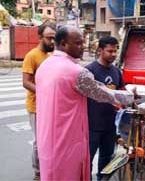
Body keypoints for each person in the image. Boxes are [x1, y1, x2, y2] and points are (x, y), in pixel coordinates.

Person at [35, 26, 133, 181]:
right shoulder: (77, 72)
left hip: (47, 138)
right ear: (63, 44)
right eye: (78, 43)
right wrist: (131, 97)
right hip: (68, 139)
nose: (83, 47)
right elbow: (104, 94)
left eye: (83, 42)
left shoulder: (45, 66)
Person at [85, 37, 124, 181]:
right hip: (91, 125)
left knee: (106, 159)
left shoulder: (116, 72)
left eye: (115, 51)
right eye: (110, 51)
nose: (113, 54)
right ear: (100, 50)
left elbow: (121, 92)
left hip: (110, 125)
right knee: (87, 160)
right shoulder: (89, 70)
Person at [21, 23, 56, 180]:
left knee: (50, 140)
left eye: (54, 38)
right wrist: (45, 93)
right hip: (36, 106)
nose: (52, 42)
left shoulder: (52, 56)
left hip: (50, 106)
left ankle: (48, 169)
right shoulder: (32, 56)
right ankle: (38, 174)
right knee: (39, 142)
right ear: (40, 37)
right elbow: (26, 82)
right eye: (49, 38)